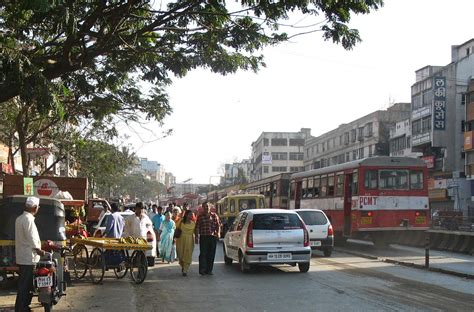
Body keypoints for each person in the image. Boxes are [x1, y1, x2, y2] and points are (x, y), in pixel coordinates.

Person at [15, 196, 46, 312]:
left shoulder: (20, 218)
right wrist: (39, 250)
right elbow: (32, 238)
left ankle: (23, 307)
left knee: (26, 285)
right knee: (25, 285)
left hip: (23, 257)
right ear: (34, 208)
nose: (38, 209)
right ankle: (21, 308)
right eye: (37, 207)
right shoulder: (28, 220)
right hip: (28, 257)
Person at [195, 201, 221, 275]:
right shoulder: (200, 216)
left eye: (207, 206)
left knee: (211, 254)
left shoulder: (214, 216)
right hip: (204, 237)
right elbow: (197, 227)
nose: (206, 207)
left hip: (212, 237)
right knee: (203, 254)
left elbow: (218, 225)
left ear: (210, 207)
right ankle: (202, 270)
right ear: (202, 208)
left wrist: (218, 233)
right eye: (205, 206)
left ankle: (209, 270)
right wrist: (196, 237)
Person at [176, 210, 196, 276]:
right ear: (186, 215)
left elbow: (195, 232)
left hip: (190, 240)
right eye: (189, 214)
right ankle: (183, 266)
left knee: (188, 255)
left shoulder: (193, 223)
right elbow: (176, 228)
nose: (190, 216)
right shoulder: (181, 222)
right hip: (181, 240)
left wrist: (197, 238)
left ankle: (185, 270)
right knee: (180, 255)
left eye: (191, 215)